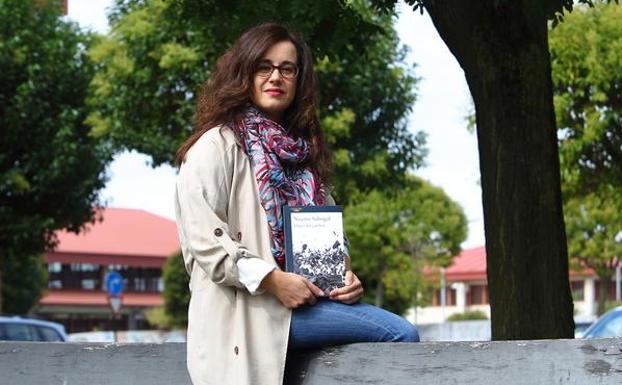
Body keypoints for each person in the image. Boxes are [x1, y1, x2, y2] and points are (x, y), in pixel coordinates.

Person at [174, 22, 419, 385]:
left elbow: (332, 241)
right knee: (401, 333)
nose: (276, 76)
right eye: (264, 66)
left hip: (306, 305)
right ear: (245, 73)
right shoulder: (216, 146)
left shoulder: (301, 154)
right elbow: (206, 243)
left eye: (287, 68)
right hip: (250, 313)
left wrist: (346, 277)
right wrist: (274, 281)